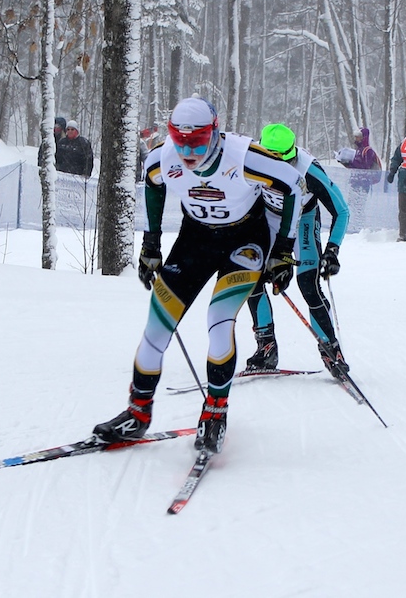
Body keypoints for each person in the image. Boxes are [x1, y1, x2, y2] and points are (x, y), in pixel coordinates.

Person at [91, 97, 303, 456]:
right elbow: (153, 184)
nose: (188, 150)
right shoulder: (163, 157)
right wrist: (151, 242)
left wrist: (283, 250)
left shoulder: (245, 156)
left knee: (219, 320)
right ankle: (137, 414)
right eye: (180, 139)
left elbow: (294, 185)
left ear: (216, 133)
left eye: (198, 140)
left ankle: (215, 413)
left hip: (244, 242)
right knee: (157, 325)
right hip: (196, 240)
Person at [245, 123, 351, 379]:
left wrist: (332, 250)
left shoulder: (308, 170)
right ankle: (266, 347)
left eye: (287, 158)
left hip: (302, 219)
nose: (281, 164)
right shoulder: (251, 161)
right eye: (274, 158)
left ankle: (331, 350)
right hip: (269, 219)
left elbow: (342, 210)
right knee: (252, 279)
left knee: (308, 283)